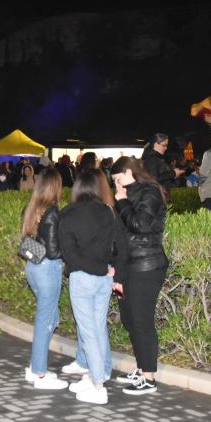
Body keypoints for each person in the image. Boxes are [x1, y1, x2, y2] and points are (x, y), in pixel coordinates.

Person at [58, 169, 127, 405]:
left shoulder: (68, 214)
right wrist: (112, 270)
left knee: (88, 331)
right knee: (97, 328)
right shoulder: (109, 212)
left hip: (84, 278)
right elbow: (121, 245)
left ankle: (99, 386)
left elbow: (69, 254)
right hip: (103, 279)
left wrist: (102, 270)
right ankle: (99, 373)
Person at [111, 156, 169, 395]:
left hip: (148, 265)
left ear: (129, 171)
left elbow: (140, 225)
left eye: (118, 178)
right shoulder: (128, 195)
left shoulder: (150, 192)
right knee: (129, 318)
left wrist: (122, 202)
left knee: (142, 320)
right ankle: (141, 366)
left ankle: (149, 377)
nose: (116, 184)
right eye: (113, 181)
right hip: (130, 266)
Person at [20, 168, 69, 390]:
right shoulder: (52, 213)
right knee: (45, 320)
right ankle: (39, 372)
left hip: (33, 267)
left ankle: (34, 367)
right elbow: (52, 251)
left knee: (51, 317)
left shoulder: (32, 209)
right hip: (48, 269)